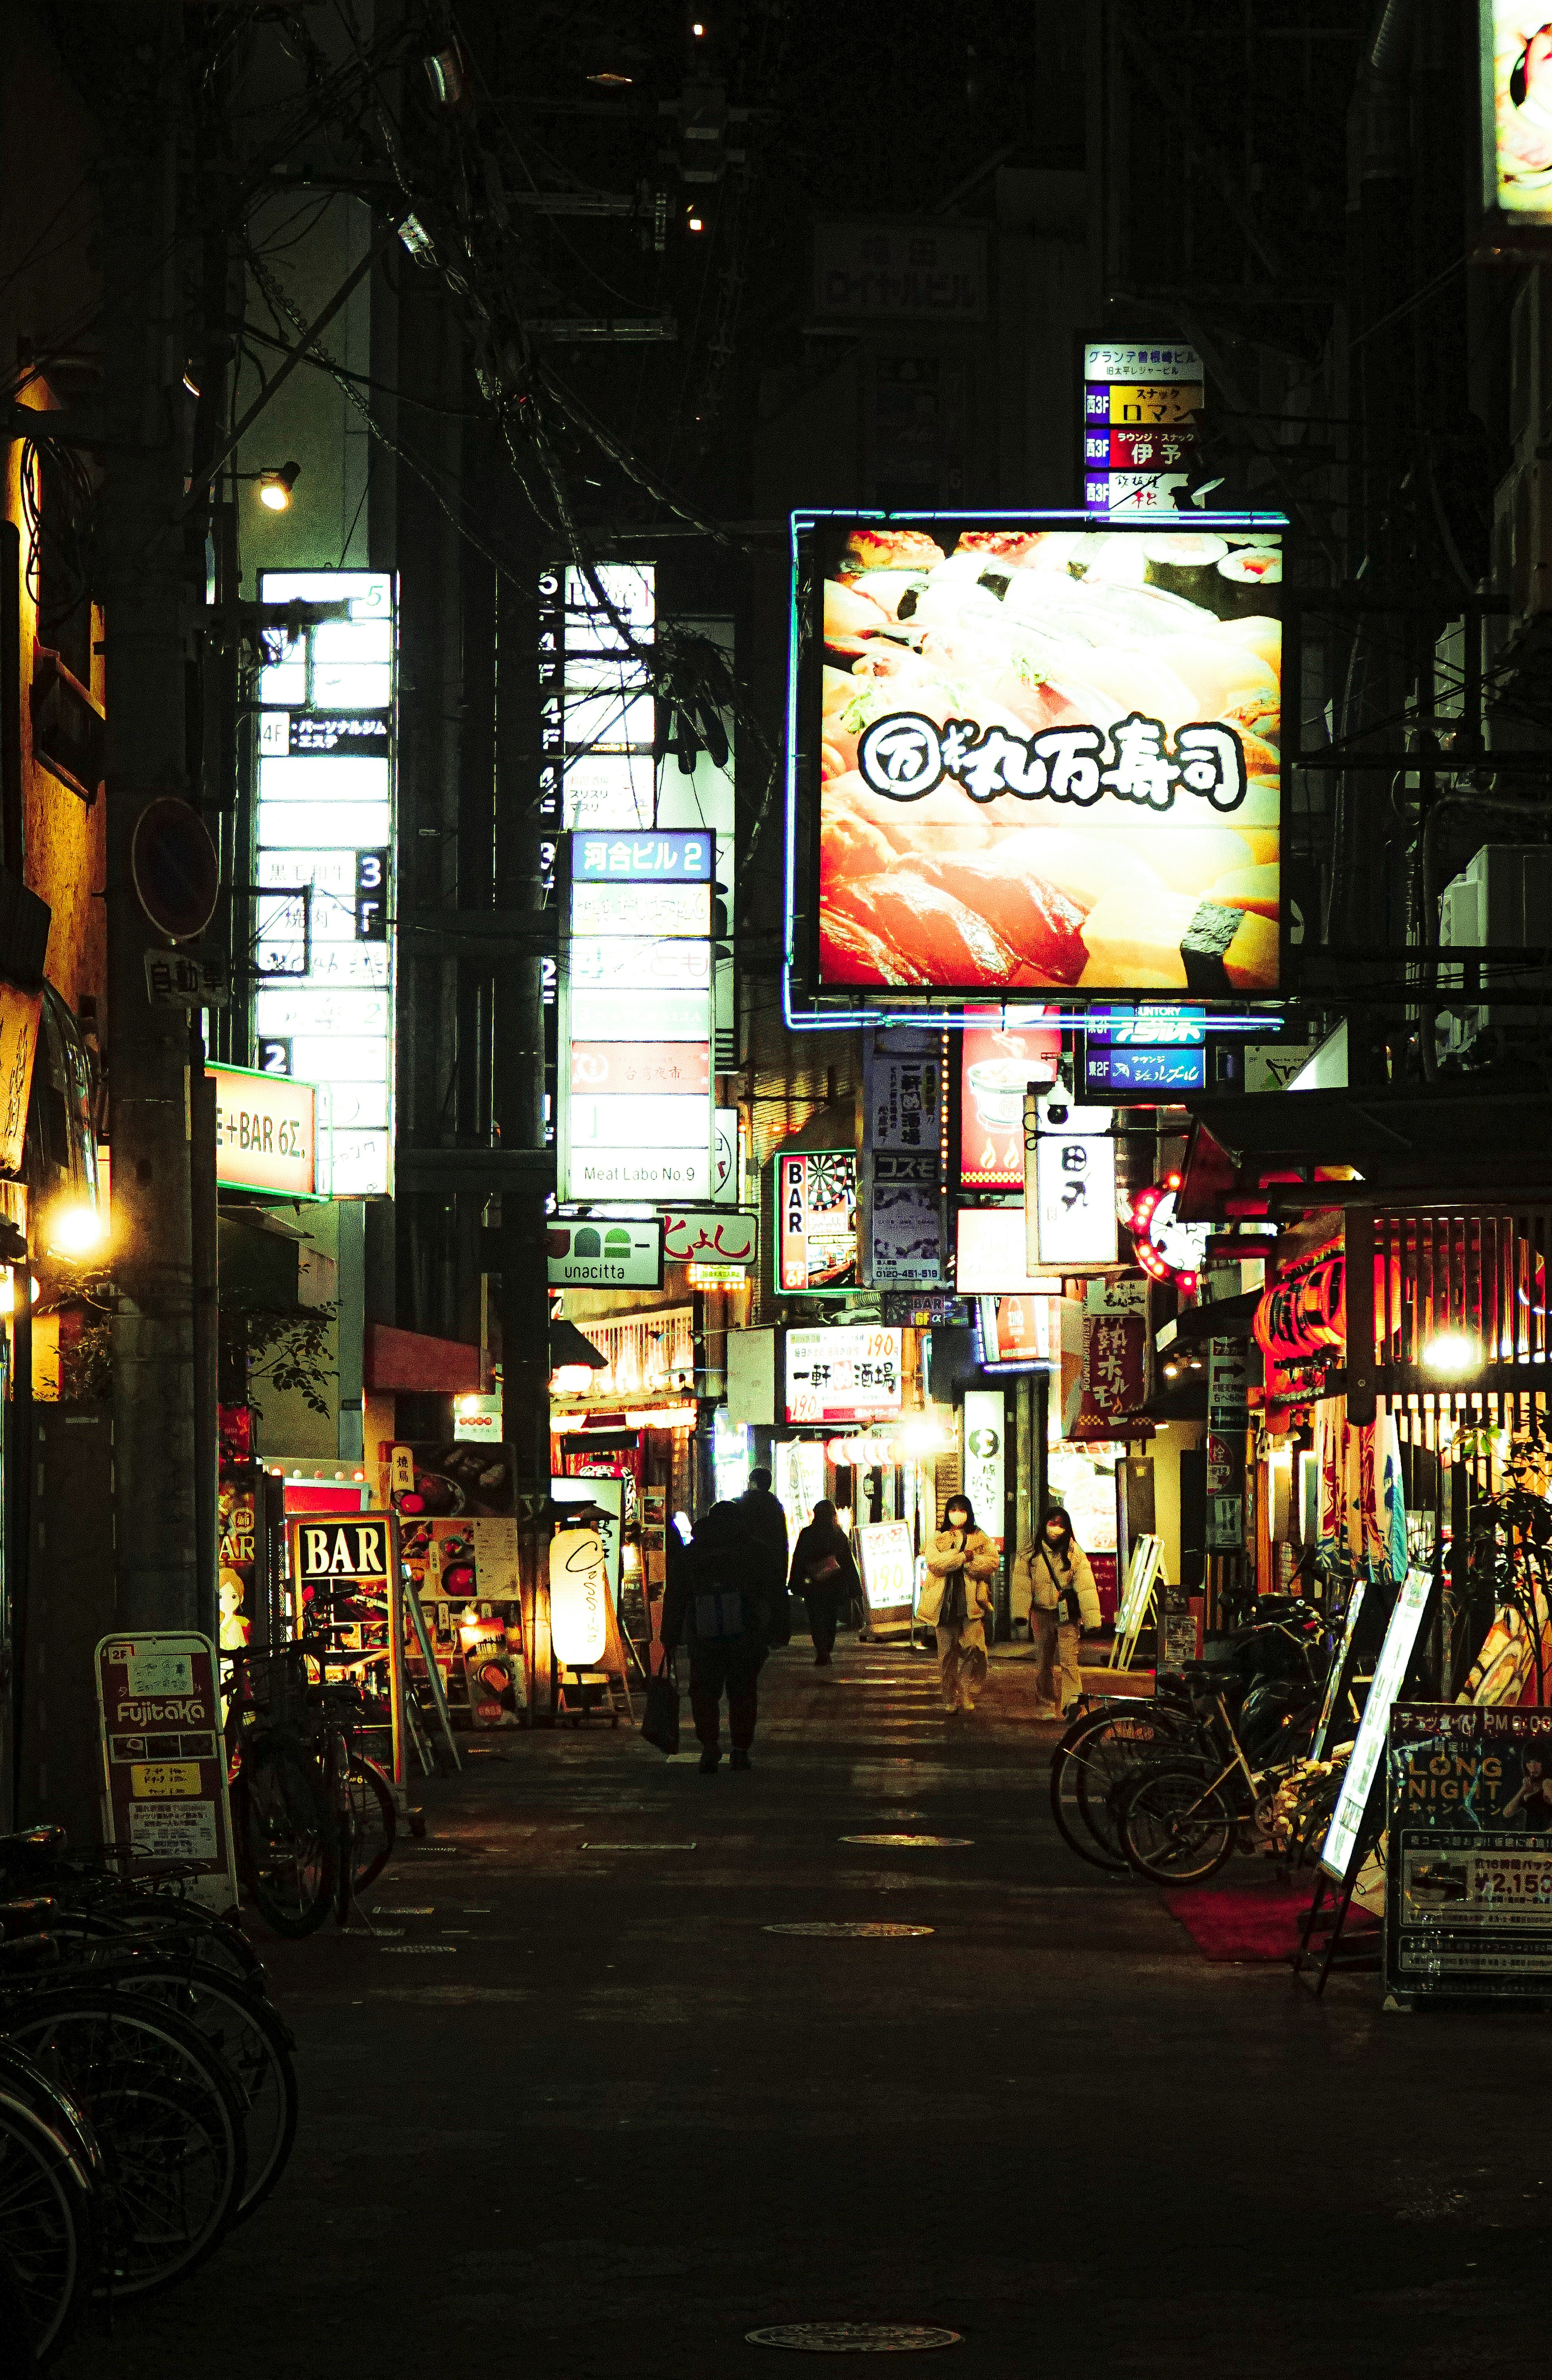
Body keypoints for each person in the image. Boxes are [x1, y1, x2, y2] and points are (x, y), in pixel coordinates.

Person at [660, 1500, 784, 1772]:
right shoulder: (756, 1551)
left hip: (704, 1633)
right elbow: (775, 1593)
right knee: (743, 1690)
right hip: (746, 1632)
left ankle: (709, 1746)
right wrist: (778, 1629)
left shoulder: (693, 1553)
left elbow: (677, 1595)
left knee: (704, 1690)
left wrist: (670, 1633)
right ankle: (740, 1749)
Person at [1015, 1505, 1101, 1723]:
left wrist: (1093, 1620)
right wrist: (1020, 1613)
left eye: (1061, 1525)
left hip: (1067, 1617)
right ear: (1044, 1525)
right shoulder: (1029, 1553)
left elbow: (1086, 1586)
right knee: (1044, 1661)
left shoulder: (1075, 1553)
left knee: (1069, 1661)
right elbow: (1022, 1585)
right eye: (1053, 1524)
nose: (1056, 1529)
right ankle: (1048, 1695)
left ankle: (1072, 1703)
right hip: (1041, 1615)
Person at [919, 1493, 1000, 1715]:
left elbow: (992, 1562)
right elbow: (936, 1564)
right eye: (953, 1510)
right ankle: (949, 1697)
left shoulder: (980, 1536)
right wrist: (963, 1558)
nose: (957, 1514)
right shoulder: (939, 1537)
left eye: (962, 1509)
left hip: (970, 1607)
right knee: (947, 1656)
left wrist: (968, 1563)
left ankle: (965, 1690)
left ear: (969, 1512)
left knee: (976, 1650)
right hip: (943, 1607)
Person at [789, 1498, 861, 1666]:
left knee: (816, 1618)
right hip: (834, 1585)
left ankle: (821, 1650)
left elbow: (798, 1559)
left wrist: (796, 1582)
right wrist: (854, 1587)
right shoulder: (838, 1535)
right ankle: (827, 1648)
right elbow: (847, 1563)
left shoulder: (807, 1533)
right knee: (830, 1617)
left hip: (813, 1584)